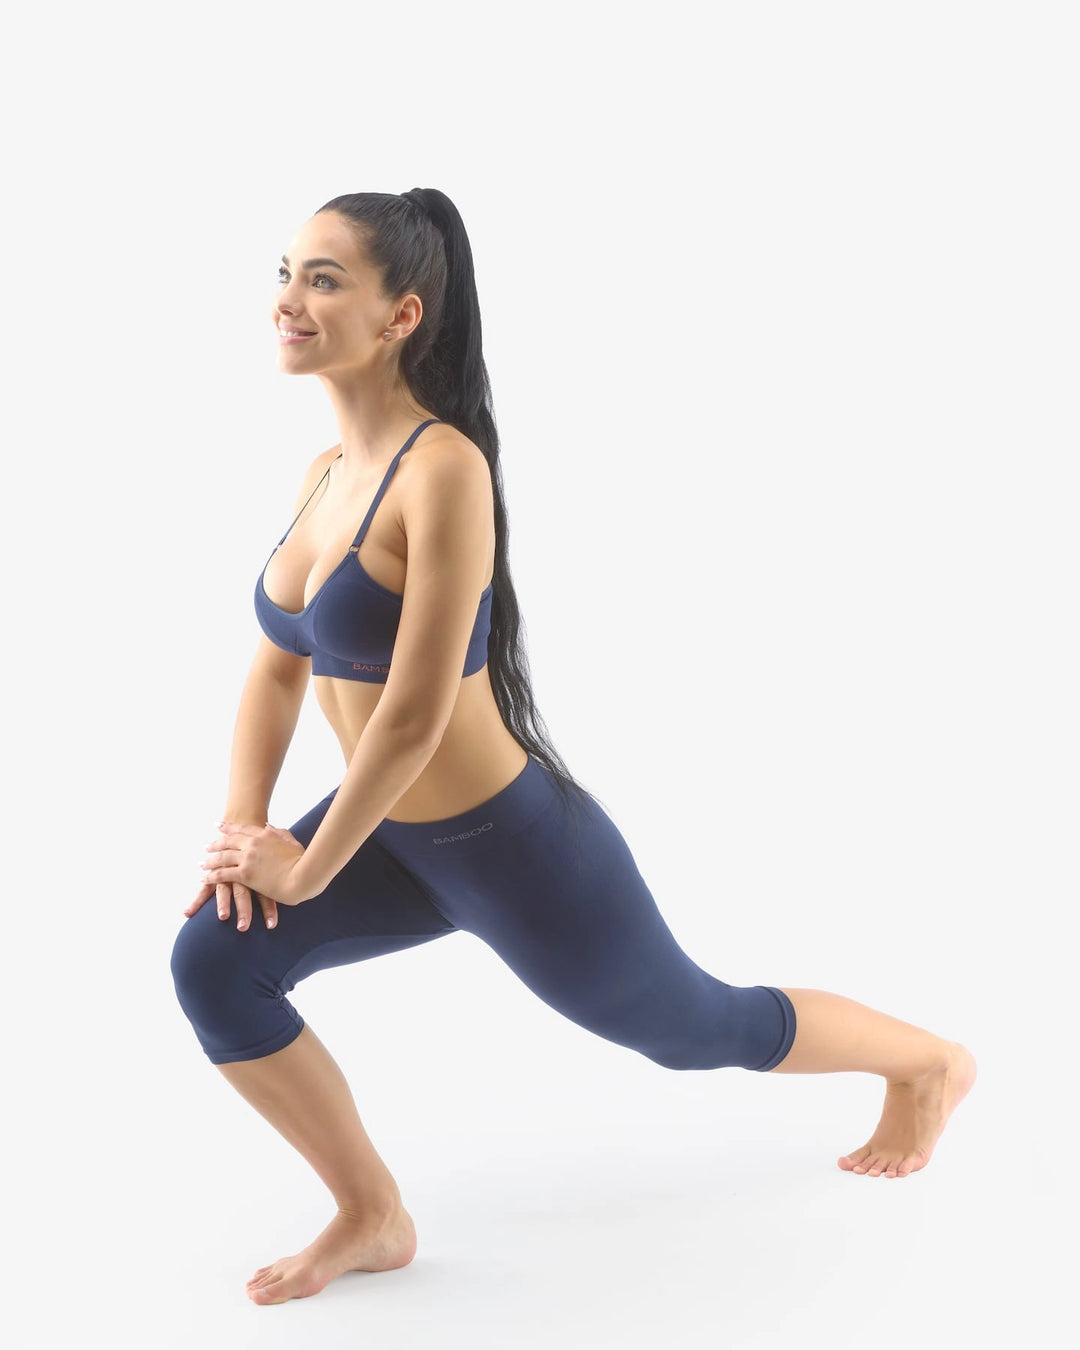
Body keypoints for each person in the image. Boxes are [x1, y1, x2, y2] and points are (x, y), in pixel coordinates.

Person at [169, 188, 977, 1307]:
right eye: (284, 273)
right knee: (214, 964)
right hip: (384, 832)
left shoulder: (444, 470)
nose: (287, 300)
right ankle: (372, 1214)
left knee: (693, 1028)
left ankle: (930, 1061)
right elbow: (275, 666)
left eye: (324, 278)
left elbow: (412, 715)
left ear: (402, 316)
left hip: (507, 846)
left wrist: (303, 870)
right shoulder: (321, 475)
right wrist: (244, 830)